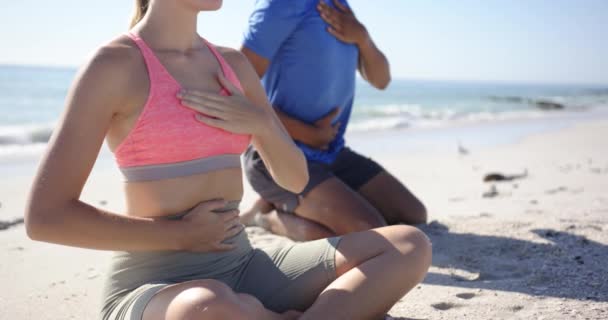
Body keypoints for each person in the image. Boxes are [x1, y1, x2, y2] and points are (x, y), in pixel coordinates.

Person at [24, 0, 431, 319]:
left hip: (244, 266)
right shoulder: (114, 66)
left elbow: (293, 180)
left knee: (408, 245)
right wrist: (180, 237)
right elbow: (45, 217)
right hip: (155, 287)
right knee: (207, 306)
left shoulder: (232, 65)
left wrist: (263, 124)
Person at [240, 0, 427, 242]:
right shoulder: (280, 4)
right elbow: (237, 86)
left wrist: (363, 38)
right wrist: (306, 133)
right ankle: (265, 217)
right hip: (276, 156)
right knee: (369, 232)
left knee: (413, 214)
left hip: (331, 153)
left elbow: (382, 80)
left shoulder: (338, 6)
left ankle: (291, 201)